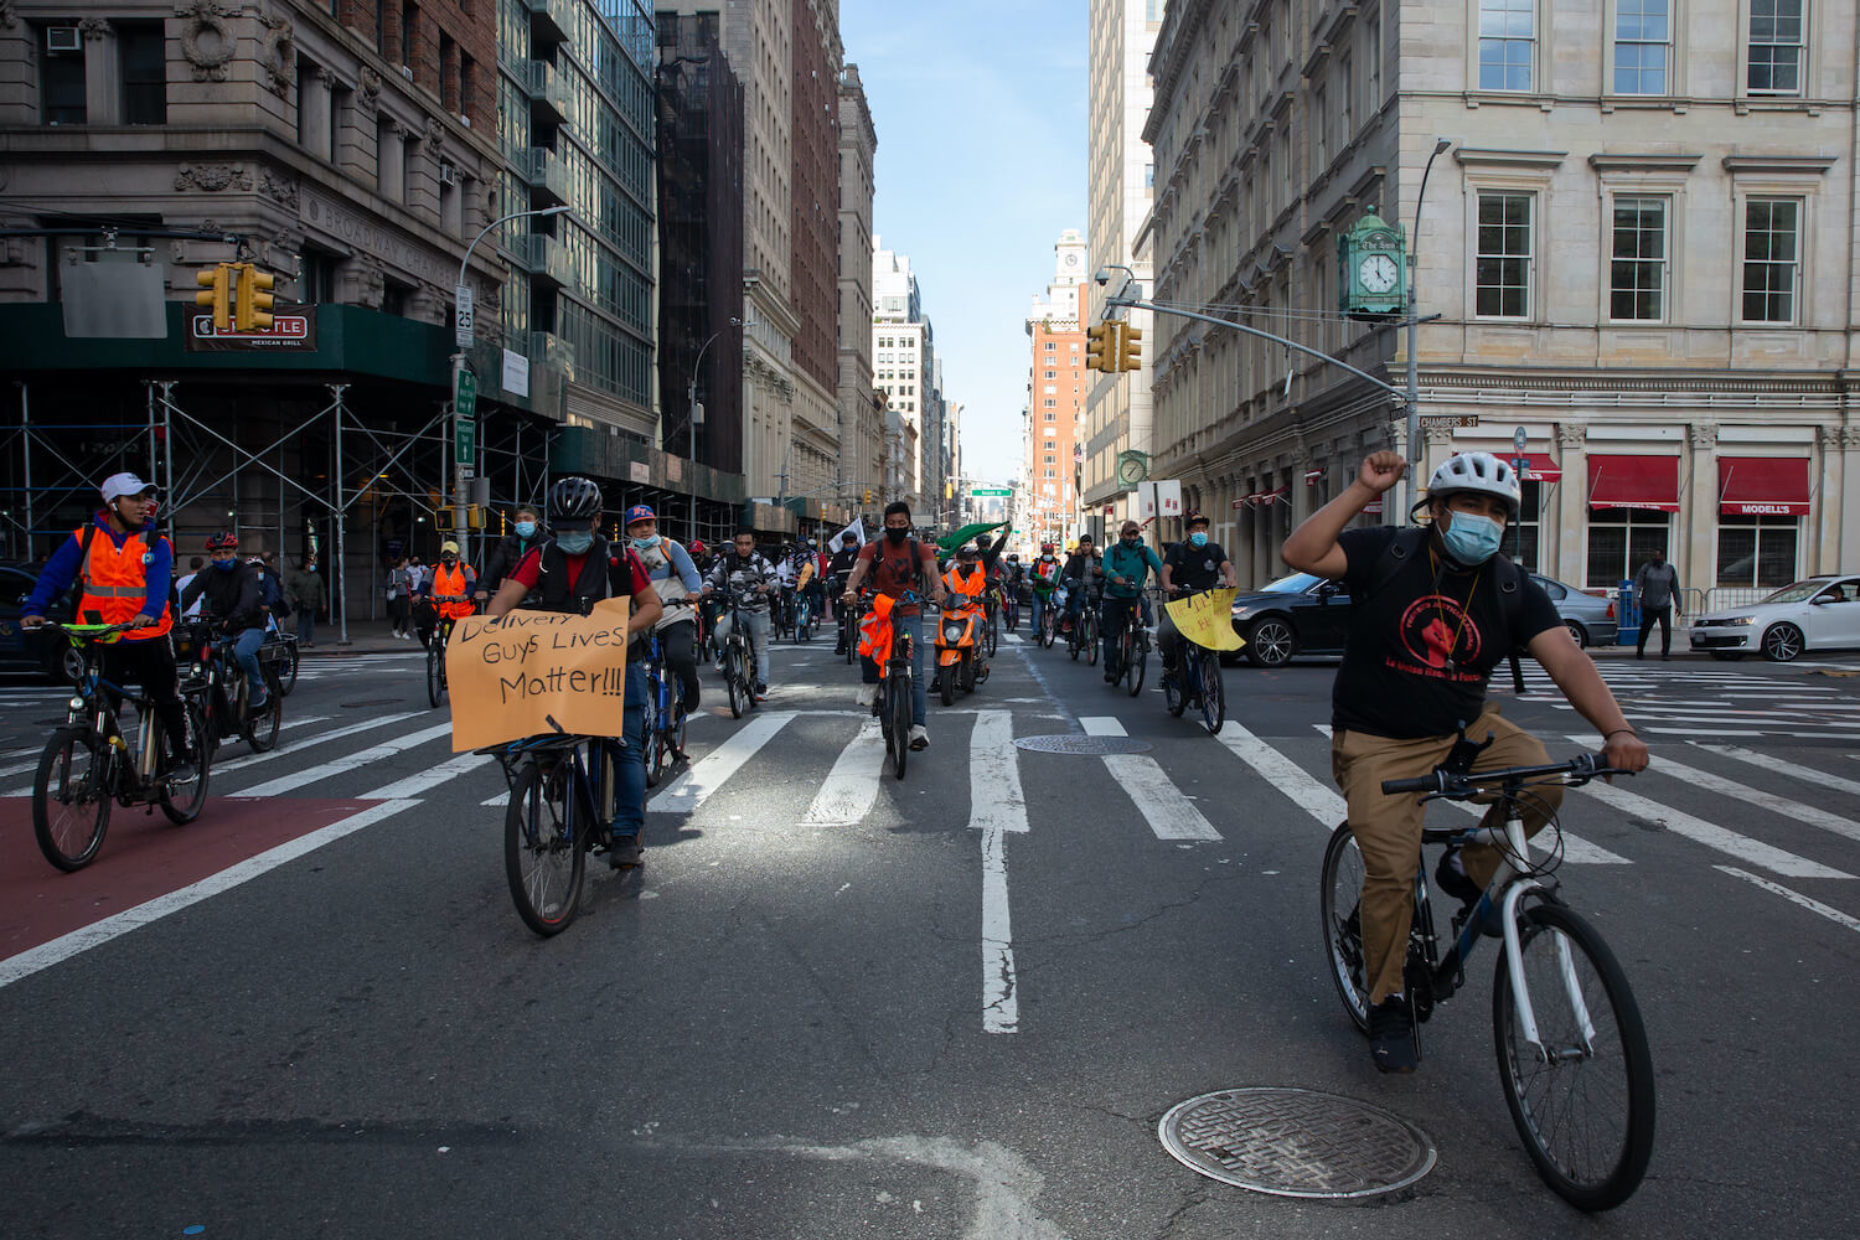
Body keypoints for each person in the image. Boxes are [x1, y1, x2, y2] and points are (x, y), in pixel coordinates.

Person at [1282, 450, 1648, 1075]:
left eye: (1496, 511)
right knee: (1393, 874)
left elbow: (1568, 661)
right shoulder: (1390, 553)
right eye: (1469, 506)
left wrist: (1616, 729)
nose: (1483, 519)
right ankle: (1388, 998)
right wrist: (1362, 490)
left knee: (1541, 778)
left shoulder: (1510, 586)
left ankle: (1468, 866)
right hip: (1377, 740)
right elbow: (1302, 553)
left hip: (1463, 729)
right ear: (1439, 511)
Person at [485, 477, 663, 868]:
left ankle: (626, 834)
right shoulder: (542, 555)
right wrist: (488, 629)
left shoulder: (619, 557)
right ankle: (553, 771)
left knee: (625, 748)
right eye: (562, 528)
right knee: (544, 740)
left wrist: (622, 630)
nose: (570, 535)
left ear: (597, 521)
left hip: (618, 664)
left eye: (578, 527)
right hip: (560, 667)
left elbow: (652, 606)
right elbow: (505, 598)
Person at [21, 473, 194, 786]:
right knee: (100, 704)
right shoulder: (84, 538)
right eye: (136, 499)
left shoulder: (156, 542)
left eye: (146, 499)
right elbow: (53, 577)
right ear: (114, 504)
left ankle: (183, 755)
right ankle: (104, 764)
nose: (145, 505)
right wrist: (34, 611)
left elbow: (158, 585)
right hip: (101, 636)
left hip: (146, 634)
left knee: (166, 697)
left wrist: (149, 612)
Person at [840, 501, 946, 750]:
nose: (897, 527)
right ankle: (871, 684)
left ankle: (918, 728)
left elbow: (933, 573)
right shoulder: (872, 548)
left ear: (909, 524)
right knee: (866, 645)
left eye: (901, 523)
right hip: (880, 613)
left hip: (909, 614)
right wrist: (849, 590)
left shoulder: (919, 548)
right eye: (892, 523)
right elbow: (857, 572)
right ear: (885, 525)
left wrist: (939, 589)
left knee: (916, 673)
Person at [624, 504, 703, 716]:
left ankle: (692, 686)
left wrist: (694, 592)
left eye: (648, 524)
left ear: (655, 524)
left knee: (678, 655)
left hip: (674, 614)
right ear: (629, 531)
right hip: (643, 621)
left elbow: (690, 574)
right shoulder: (626, 555)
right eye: (637, 526)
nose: (644, 529)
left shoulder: (670, 547)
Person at [182, 531, 270, 710]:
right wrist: (172, 615)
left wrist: (234, 617)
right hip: (222, 628)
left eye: (226, 553)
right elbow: (187, 596)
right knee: (207, 658)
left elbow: (248, 599)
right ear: (211, 556)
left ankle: (258, 686)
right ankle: (215, 702)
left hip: (249, 625)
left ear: (234, 553)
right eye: (217, 554)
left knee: (242, 652)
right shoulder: (207, 574)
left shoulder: (246, 573)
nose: (222, 557)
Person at [1158, 511, 1238, 685]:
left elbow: (1227, 566)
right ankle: (1170, 663)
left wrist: (1230, 578)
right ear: (1188, 533)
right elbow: (1165, 571)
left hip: (1206, 604)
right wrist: (1168, 585)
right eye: (1196, 529)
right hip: (1182, 604)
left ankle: (1208, 670)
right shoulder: (1177, 551)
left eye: (1203, 529)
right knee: (1165, 632)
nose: (1201, 532)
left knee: (1213, 641)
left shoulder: (1214, 550)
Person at [704, 531, 779, 699]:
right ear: (735, 544)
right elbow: (713, 576)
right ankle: (727, 655)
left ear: (753, 544)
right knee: (719, 633)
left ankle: (761, 686)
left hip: (759, 611)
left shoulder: (762, 562)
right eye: (740, 544)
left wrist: (767, 587)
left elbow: (775, 581)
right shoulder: (727, 561)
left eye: (747, 543)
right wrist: (706, 587)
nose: (743, 547)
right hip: (737, 610)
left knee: (761, 649)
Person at [1101, 520, 1164, 680]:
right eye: (1129, 533)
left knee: (1144, 613)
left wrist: (1166, 582)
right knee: (1111, 635)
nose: (1132, 537)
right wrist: (1116, 578)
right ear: (1122, 534)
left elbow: (1159, 567)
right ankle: (1110, 668)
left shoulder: (1145, 551)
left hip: (1134, 596)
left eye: (1135, 533)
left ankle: (1141, 641)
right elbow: (1106, 566)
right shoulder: (1112, 550)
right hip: (1114, 597)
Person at [477, 505, 545, 607]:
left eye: (527, 519)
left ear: (536, 521)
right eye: (519, 520)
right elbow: (494, 566)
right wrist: (483, 588)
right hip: (513, 595)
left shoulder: (547, 542)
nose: (522, 523)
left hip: (540, 596)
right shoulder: (507, 543)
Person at [1632, 549, 1681, 660]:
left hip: (1664, 605)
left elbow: (1675, 588)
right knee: (1645, 629)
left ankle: (1665, 653)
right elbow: (1638, 583)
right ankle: (1640, 651)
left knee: (1666, 630)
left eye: (1659, 556)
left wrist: (1679, 604)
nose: (1657, 558)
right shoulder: (1647, 568)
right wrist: (1635, 598)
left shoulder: (1670, 569)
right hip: (1649, 604)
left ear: (1664, 557)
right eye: (1655, 556)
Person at [429, 541, 477, 641]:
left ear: (457, 555)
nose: (448, 559)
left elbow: (471, 585)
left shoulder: (466, 569)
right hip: (439, 610)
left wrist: (465, 596)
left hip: (461, 612)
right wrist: (419, 595)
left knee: (460, 639)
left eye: (451, 555)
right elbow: (424, 583)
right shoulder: (435, 569)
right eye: (445, 555)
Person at [1060, 534, 1103, 634]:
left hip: (1094, 589)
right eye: (1083, 545)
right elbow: (1066, 572)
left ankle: (1092, 635)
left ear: (1091, 545)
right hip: (1079, 589)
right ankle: (1068, 622)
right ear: (1080, 546)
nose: (1086, 548)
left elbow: (1105, 572)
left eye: (1088, 545)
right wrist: (1070, 580)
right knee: (1075, 610)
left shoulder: (1097, 559)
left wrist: (1101, 573)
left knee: (1097, 614)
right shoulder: (1075, 559)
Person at [285, 555, 325, 647]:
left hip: (312, 602)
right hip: (301, 602)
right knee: (302, 621)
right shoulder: (298, 575)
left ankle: (309, 640)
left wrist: (323, 603)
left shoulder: (316, 576)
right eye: (310, 564)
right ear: (306, 565)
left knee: (310, 622)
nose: (312, 566)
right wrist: (294, 597)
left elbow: (321, 590)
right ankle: (302, 640)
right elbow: (290, 587)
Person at [1029, 542, 1062, 636]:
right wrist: (1037, 578)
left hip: (1051, 590)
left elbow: (1060, 575)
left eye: (1049, 552)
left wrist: (1057, 584)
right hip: (1039, 590)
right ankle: (1036, 633)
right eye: (1046, 552)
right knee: (1037, 612)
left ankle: (1051, 620)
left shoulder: (1057, 562)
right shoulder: (1037, 562)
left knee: (1059, 605)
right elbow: (1032, 573)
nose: (1048, 554)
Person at [385, 557, 413, 639]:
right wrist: (395, 585)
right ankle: (395, 628)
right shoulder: (393, 572)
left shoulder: (407, 573)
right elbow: (388, 583)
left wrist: (408, 581)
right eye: (406, 562)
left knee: (405, 614)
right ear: (402, 563)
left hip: (405, 595)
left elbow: (412, 584)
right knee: (398, 613)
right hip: (397, 594)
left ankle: (404, 631)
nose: (407, 563)